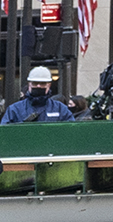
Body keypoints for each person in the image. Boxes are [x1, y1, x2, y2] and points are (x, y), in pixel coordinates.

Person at [0, 68, 81, 196]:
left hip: (55, 166)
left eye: (42, 84)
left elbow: (73, 133)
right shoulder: (15, 109)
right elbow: (4, 136)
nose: (39, 86)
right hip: (22, 169)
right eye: (35, 83)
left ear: (49, 85)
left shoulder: (60, 109)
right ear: (29, 84)